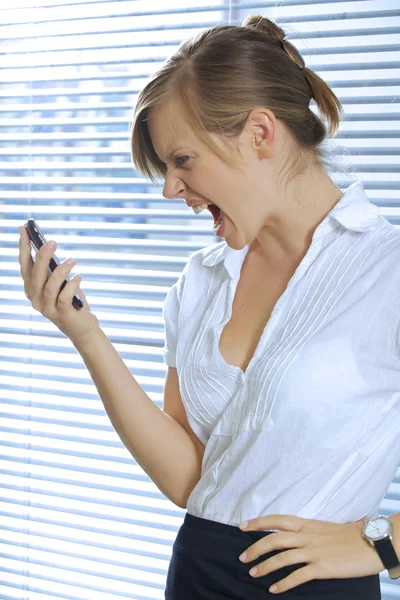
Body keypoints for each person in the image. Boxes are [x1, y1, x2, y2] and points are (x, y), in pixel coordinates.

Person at [18, 13, 400, 600]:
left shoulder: (386, 269)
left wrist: (380, 543)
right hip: (197, 573)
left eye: (183, 160)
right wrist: (84, 333)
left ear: (260, 134)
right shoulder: (200, 282)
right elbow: (188, 478)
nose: (172, 188)